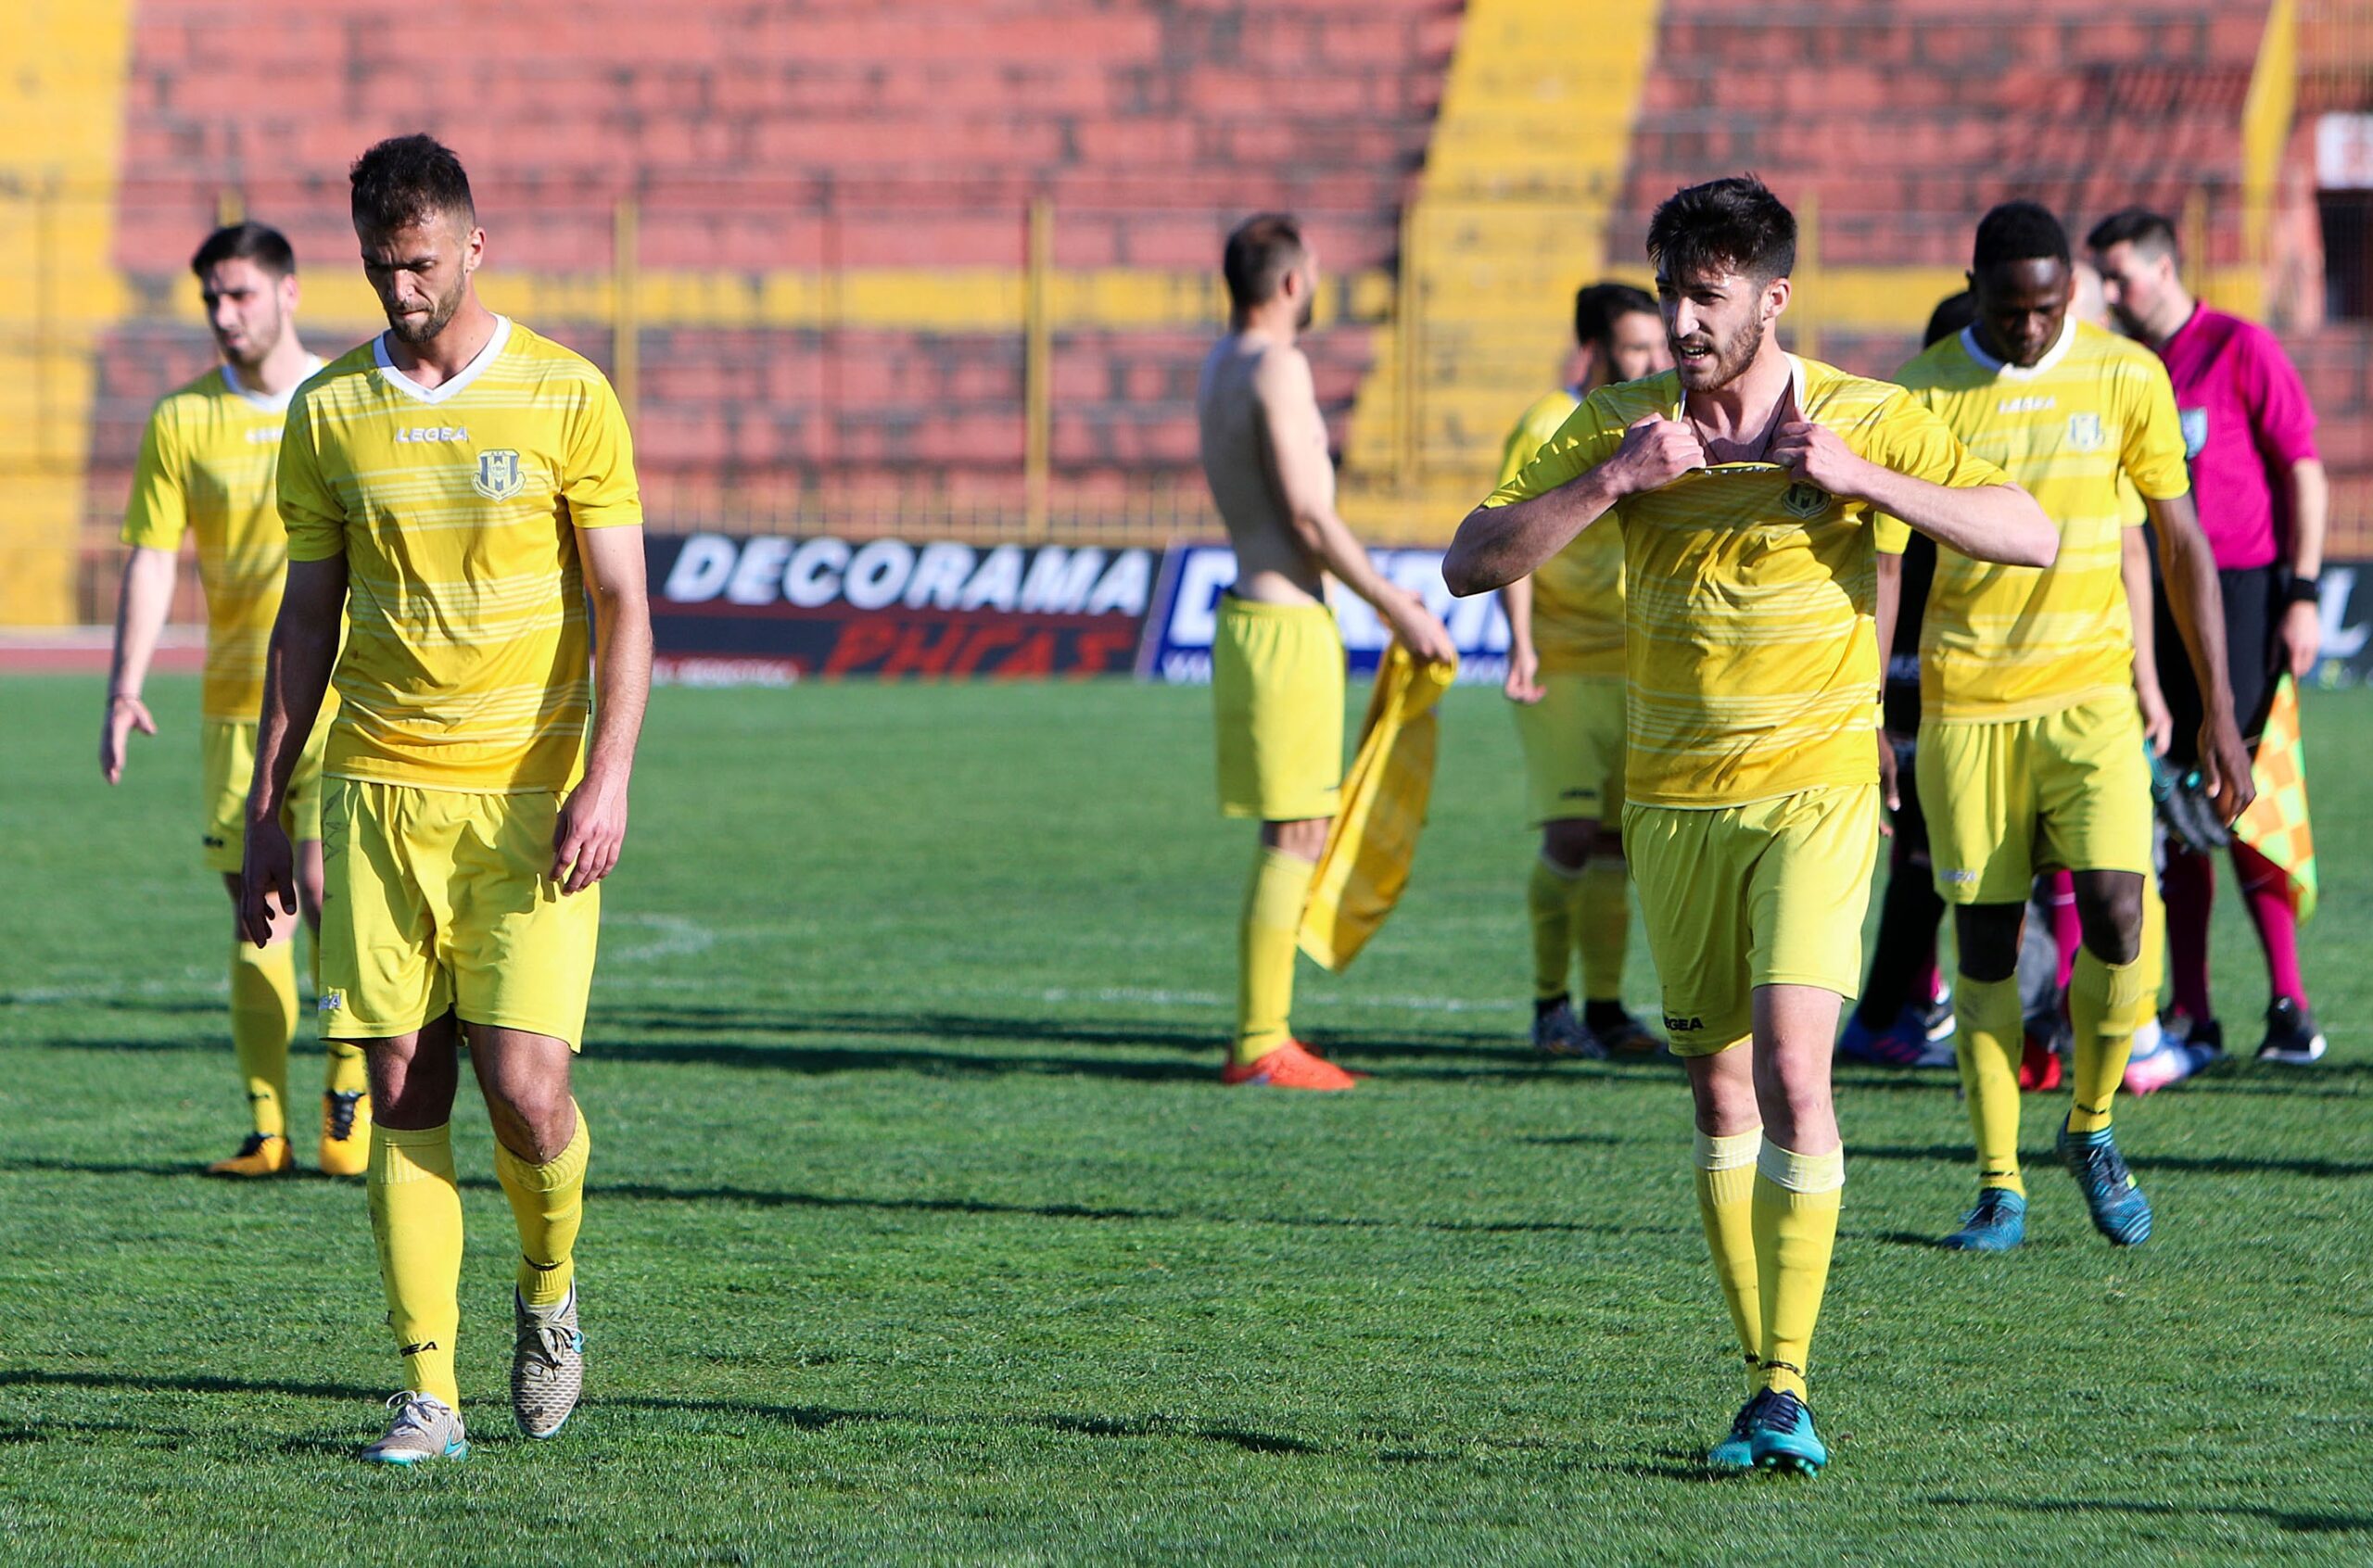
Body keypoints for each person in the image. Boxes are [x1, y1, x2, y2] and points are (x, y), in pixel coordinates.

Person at [1443, 176, 2055, 1474]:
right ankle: (1759, 1369)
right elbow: (1470, 559)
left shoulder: (1861, 415)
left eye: (1708, 297)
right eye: (1670, 293)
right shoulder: (1620, 426)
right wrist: (1613, 481)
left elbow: (2029, 531)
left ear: (1774, 298)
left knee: (1792, 1068)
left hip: (1817, 791)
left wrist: (1864, 479)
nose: (1682, 321)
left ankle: (1786, 1385)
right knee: (1719, 1090)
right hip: (1672, 802)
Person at [242, 134, 652, 1463]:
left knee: (527, 1093)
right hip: (376, 796)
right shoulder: (329, 413)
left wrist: (607, 775)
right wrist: (269, 808)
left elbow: (624, 603)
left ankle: (549, 1287)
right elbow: (305, 622)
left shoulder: (567, 393)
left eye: (419, 262)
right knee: (404, 1089)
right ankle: (431, 1393)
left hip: (529, 801)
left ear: (475, 245)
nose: (400, 287)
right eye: (379, 266)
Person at [1885, 203, 2251, 1254]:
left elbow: (2177, 544)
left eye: (2048, 308)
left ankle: (2090, 1127)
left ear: (2072, 294)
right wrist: (1867, 711)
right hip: (1968, 706)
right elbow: (1883, 564)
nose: (2030, 327)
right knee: (1987, 943)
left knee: (2119, 915)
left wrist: (2216, 712)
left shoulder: (2127, 374)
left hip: (2091, 698)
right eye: (2011, 310)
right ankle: (1997, 1185)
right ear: (1975, 289)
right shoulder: (1921, 393)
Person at [101, 222, 368, 1179]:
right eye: (212, 297)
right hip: (234, 706)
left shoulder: (344, 400)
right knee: (259, 911)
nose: (224, 313)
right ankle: (267, 1129)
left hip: (342, 695)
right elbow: (152, 559)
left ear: (289, 292)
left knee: (332, 896)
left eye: (241, 293)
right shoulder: (183, 419)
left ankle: (347, 1095)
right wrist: (125, 685)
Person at [1194, 213, 1457, 1092]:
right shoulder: (1277, 366)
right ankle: (1260, 1042)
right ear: (1291, 283)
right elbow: (1309, 515)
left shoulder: (1220, 363)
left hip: (1252, 614)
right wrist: (1393, 604)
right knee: (1298, 831)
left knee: (1293, 827)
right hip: (1286, 625)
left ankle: (1260, 1038)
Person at [2089, 208, 2329, 1064]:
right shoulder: (2117, 365)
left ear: (2165, 268)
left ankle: (2289, 1005)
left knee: (2248, 789)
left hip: (2242, 592)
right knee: (2174, 795)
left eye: (2119, 275)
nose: (2109, 292)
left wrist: (2303, 592)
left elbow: (2303, 469)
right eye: (2101, 277)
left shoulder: (2237, 347)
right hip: (2149, 593)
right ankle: (2193, 1011)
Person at [1496, 283, 1671, 1057]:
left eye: (1656, 345)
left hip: (1635, 663)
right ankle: (1548, 1006)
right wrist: (1521, 642)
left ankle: (1605, 1010)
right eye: (1635, 347)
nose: (1652, 359)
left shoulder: (1658, 419)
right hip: (1561, 662)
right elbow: (1511, 530)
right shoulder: (1546, 423)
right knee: (1568, 834)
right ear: (1594, 351)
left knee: (1613, 844)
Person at [1836, 290, 1975, 1069]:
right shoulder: (1910, 434)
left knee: (1930, 851)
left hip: (1929, 670)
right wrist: (1877, 699)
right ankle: (1889, 1012)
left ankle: (1912, 1003)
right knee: (1929, 850)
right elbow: (1886, 568)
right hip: (1927, 673)